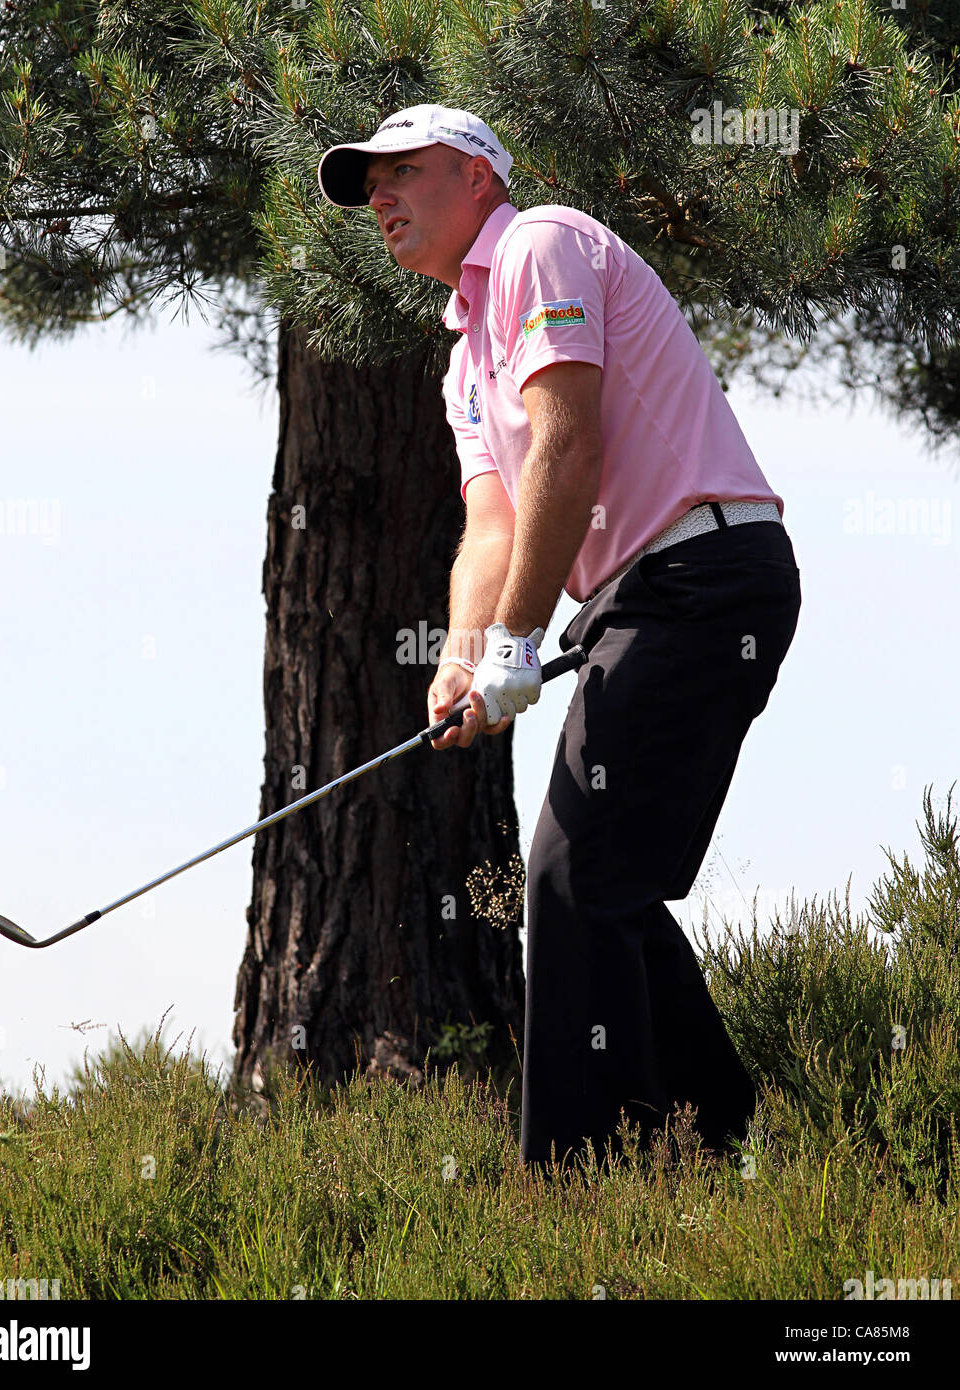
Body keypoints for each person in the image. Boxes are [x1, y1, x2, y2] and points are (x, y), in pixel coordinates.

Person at [318, 105, 801, 1175]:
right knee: (601, 877)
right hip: (640, 597)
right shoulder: (462, 360)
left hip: (705, 575)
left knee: (569, 875)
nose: (379, 200)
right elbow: (493, 524)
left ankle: (582, 1183)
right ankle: (729, 1134)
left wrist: (517, 646)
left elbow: (568, 447)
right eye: (368, 188)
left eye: (402, 173)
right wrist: (462, 657)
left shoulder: (540, 243)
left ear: (478, 175)